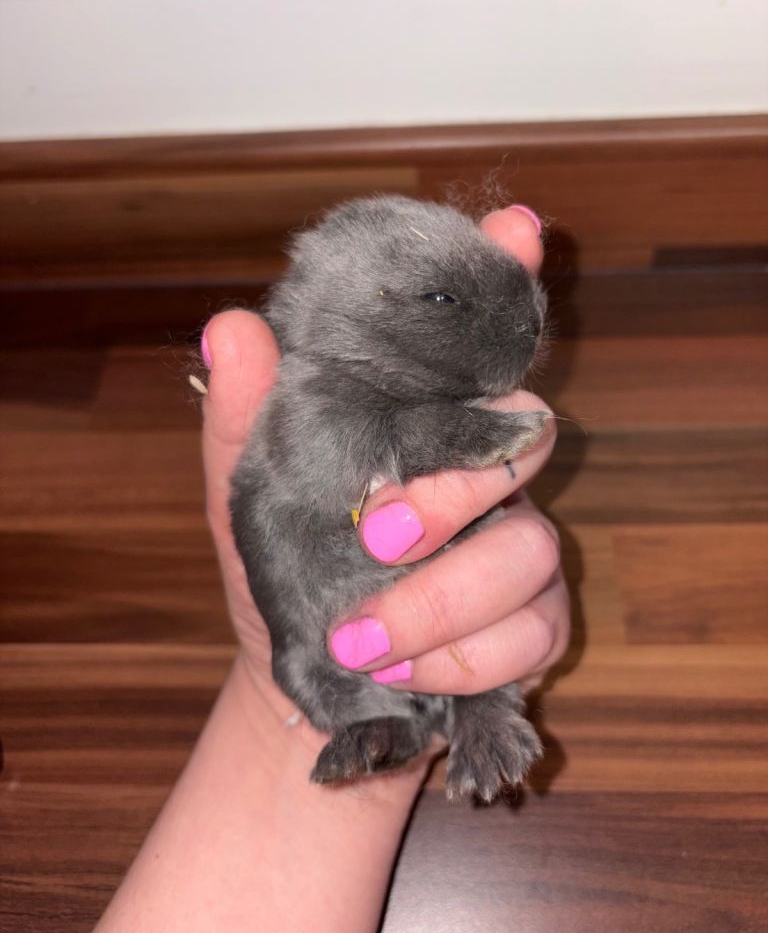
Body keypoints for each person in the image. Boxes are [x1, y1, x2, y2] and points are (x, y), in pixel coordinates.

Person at [96, 204, 570, 932]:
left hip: (410, 640)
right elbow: (325, 471)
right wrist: (441, 436)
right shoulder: (314, 392)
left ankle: (476, 712)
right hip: (319, 632)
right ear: (328, 290)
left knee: (475, 578)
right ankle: (381, 729)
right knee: (320, 672)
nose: (528, 324)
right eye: (441, 300)